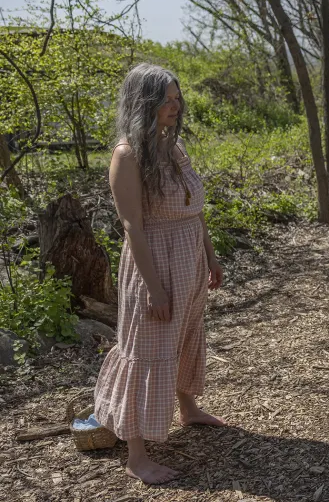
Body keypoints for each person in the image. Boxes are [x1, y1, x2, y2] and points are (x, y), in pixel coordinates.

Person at [94, 64, 225, 484]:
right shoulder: (127, 155)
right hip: (156, 263)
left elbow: (195, 209)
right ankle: (136, 455)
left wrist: (211, 256)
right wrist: (153, 288)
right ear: (143, 103)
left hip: (190, 258)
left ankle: (187, 409)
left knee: (186, 333)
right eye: (166, 99)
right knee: (147, 349)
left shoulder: (174, 145)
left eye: (176, 97)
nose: (175, 105)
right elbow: (132, 225)